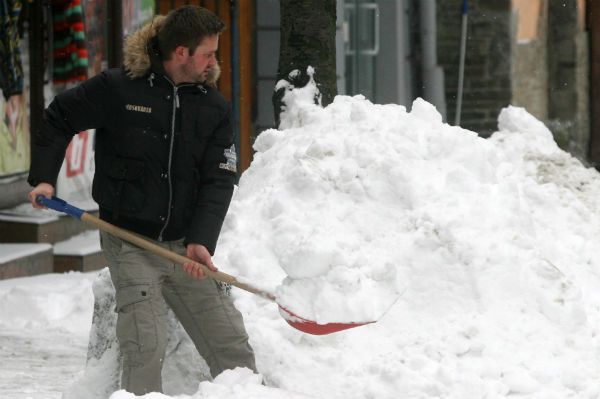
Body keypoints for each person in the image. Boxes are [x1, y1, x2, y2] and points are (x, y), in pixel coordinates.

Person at [27, 6, 257, 395]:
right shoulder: (120, 89)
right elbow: (60, 116)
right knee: (144, 345)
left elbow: (219, 177)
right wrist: (44, 180)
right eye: (208, 53)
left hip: (185, 247)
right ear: (181, 52)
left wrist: (201, 240)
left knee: (232, 345)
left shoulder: (212, 107)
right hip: (128, 239)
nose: (214, 63)